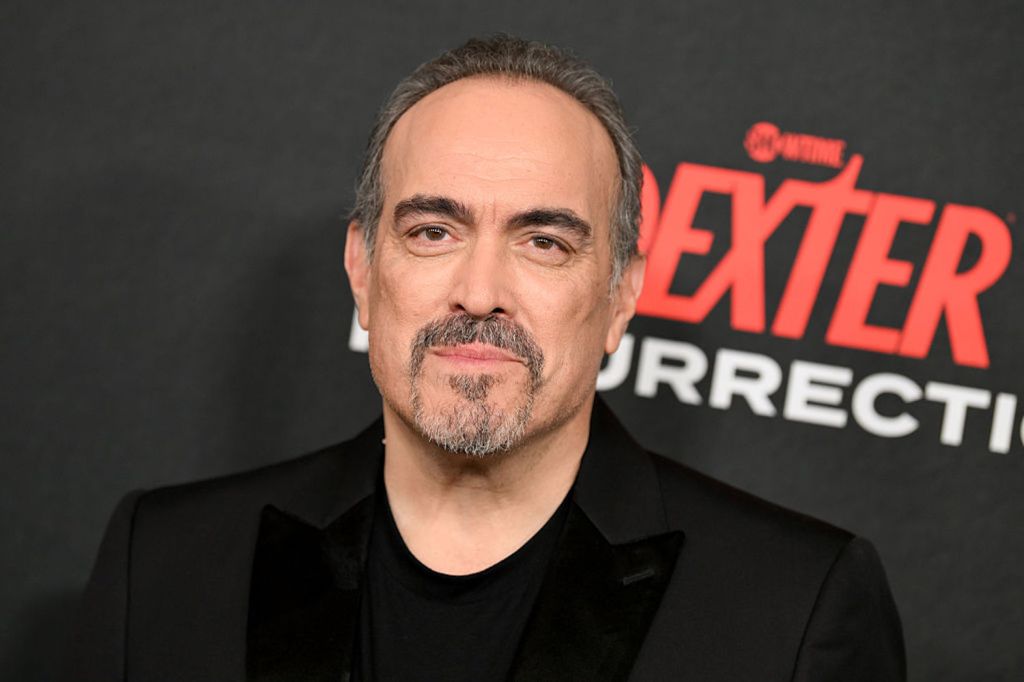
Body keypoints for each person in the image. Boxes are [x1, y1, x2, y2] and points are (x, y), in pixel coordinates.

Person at [68, 35, 905, 681]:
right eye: (433, 231)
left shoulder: (795, 606)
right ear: (362, 270)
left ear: (620, 297)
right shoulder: (165, 562)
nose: (478, 292)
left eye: (544, 242)